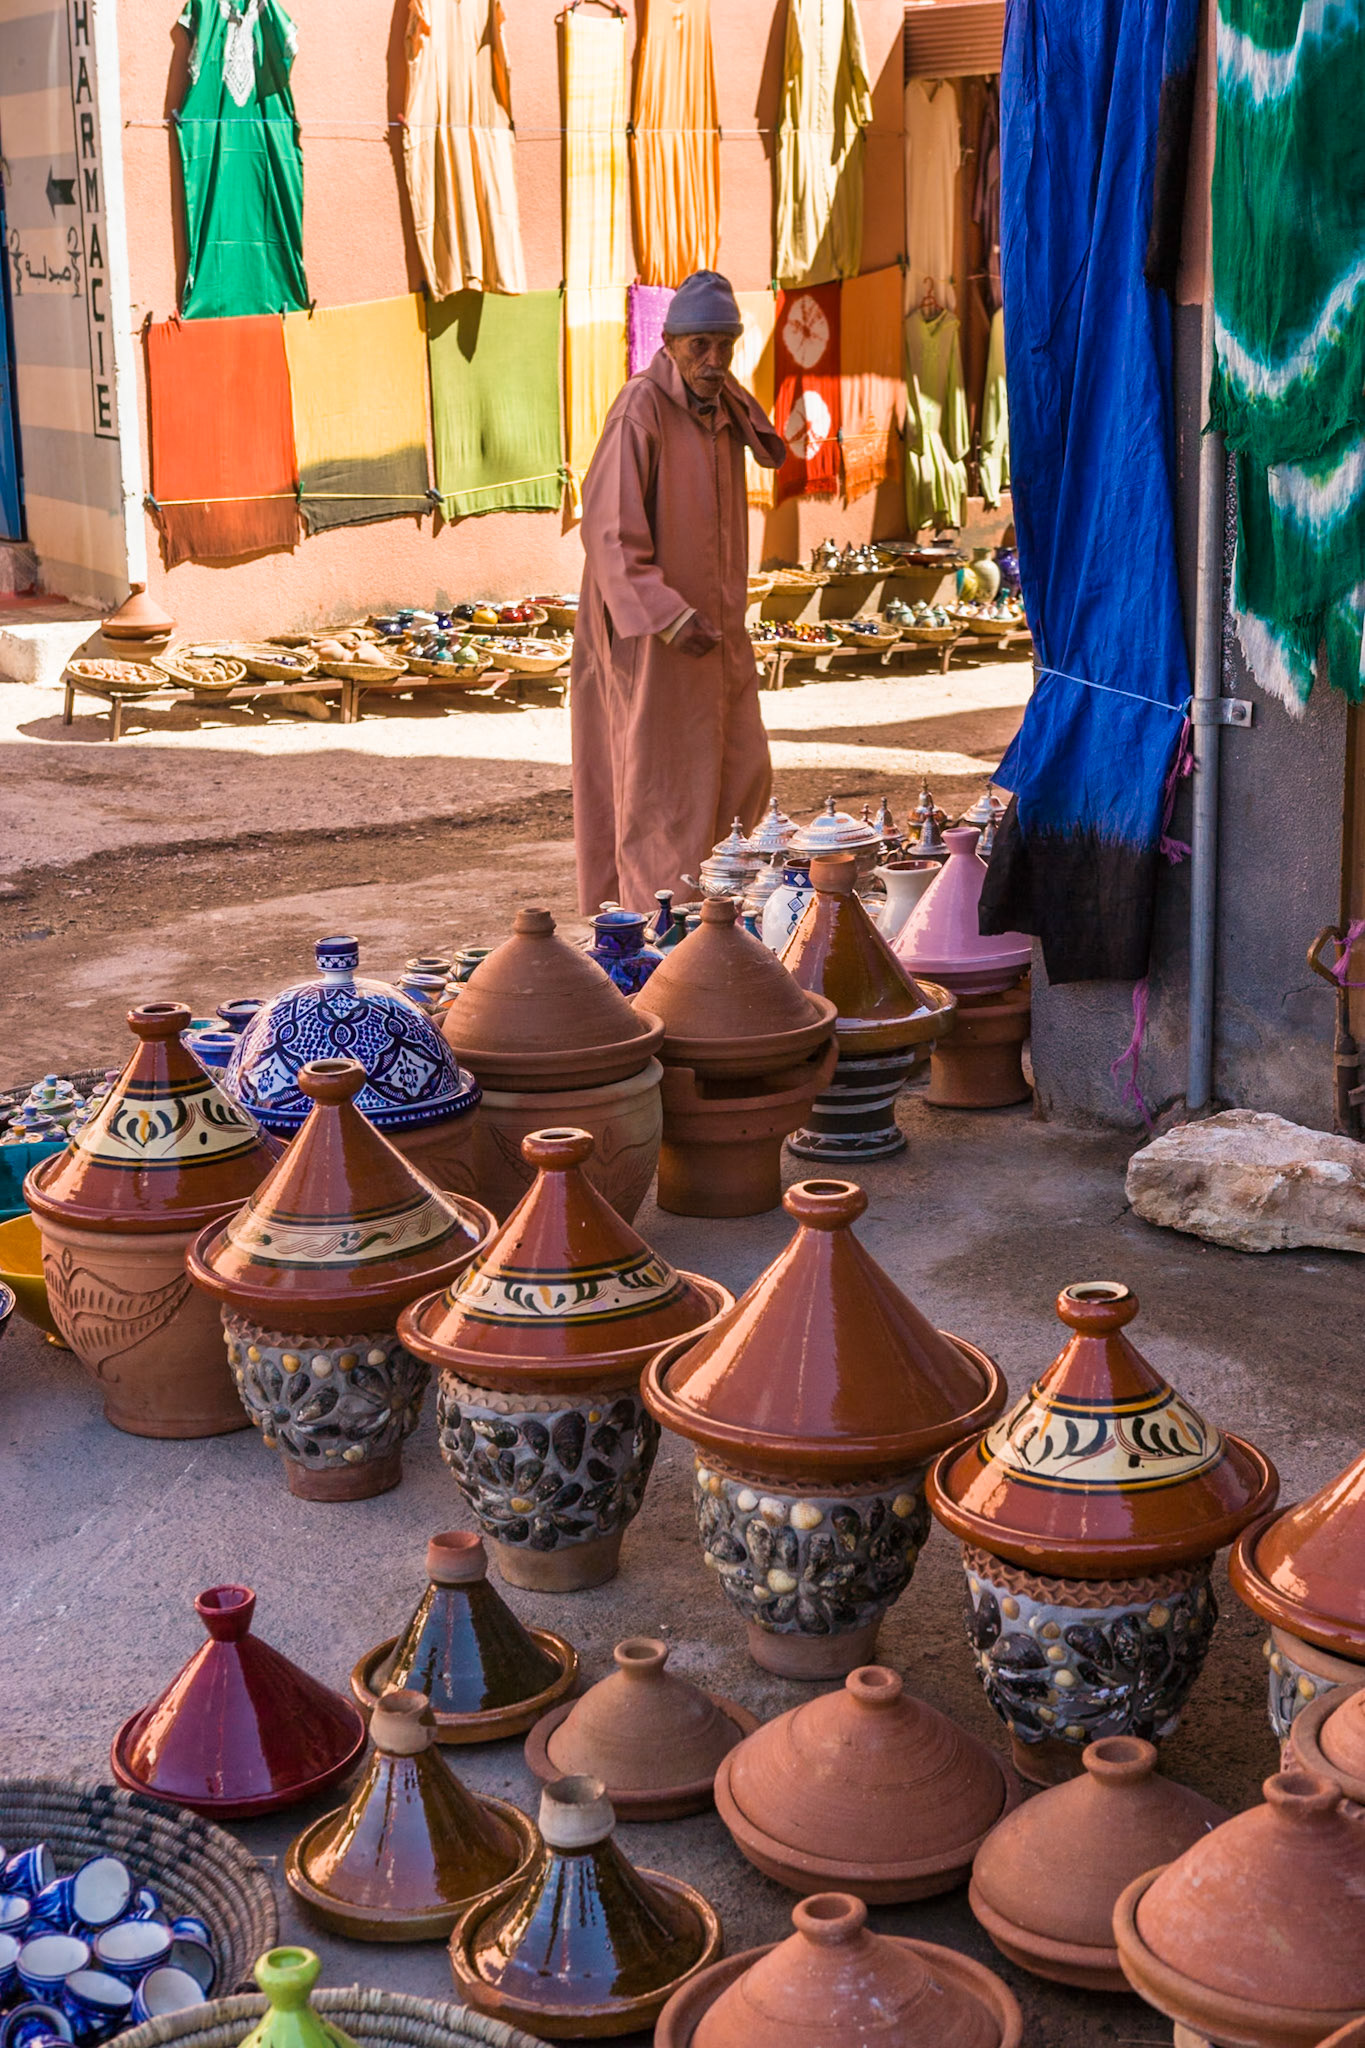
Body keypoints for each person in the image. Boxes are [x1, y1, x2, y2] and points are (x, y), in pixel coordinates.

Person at [570, 270, 786, 915]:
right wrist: (667, 614)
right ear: (667, 342)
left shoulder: (723, 406)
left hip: (717, 630)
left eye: (725, 344)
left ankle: (729, 918)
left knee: (740, 768)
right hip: (654, 635)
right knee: (661, 787)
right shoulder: (640, 408)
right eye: (700, 346)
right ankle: (657, 931)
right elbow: (608, 531)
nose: (713, 360)